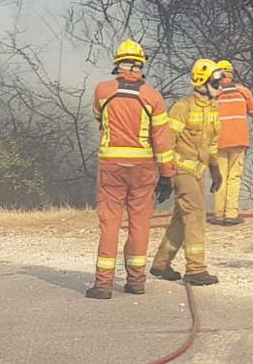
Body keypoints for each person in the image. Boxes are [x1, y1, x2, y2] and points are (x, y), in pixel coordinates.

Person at [86, 40, 176, 299]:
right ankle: (136, 281)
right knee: (139, 224)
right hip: (143, 169)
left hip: (111, 166)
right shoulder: (152, 96)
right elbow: (162, 139)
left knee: (110, 222)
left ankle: (103, 284)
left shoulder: (103, 91)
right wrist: (167, 175)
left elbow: (98, 119)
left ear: (117, 64)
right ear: (140, 65)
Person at [149, 58, 224, 286]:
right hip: (182, 170)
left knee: (181, 219)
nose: (220, 87)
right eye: (217, 82)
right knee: (196, 215)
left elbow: (212, 143)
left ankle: (161, 263)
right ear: (202, 81)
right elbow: (166, 142)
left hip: (198, 171)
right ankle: (195, 269)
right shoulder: (183, 107)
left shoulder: (212, 109)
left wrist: (214, 168)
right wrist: (166, 174)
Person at [211, 59, 253, 225]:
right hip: (239, 141)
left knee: (220, 178)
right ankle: (231, 214)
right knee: (234, 178)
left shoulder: (212, 93)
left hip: (218, 142)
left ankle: (218, 215)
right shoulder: (243, 91)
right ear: (231, 74)